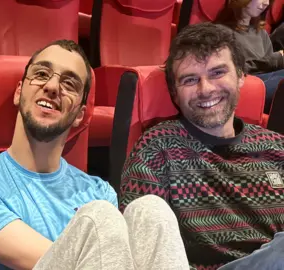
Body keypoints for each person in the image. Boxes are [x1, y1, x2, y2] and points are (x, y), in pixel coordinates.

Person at [0, 40, 190, 270]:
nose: (52, 86)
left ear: (80, 114)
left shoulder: (98, 191)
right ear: (19, 92)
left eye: (69, 84)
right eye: (41, 74)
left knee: (151, 211)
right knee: (97, 218)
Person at [120, 22, 284, 270]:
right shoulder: (156, 148)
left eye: (217, 73)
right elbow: (144, 241)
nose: (205, 89)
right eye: (190, 79)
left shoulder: (277, 147)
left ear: (240, 76)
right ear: (175, 94)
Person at [214, 0, 283, 113]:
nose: (266, 3)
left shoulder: (260, 33)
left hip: (264, 83)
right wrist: (277, 59)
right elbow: (232, 71)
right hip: (244, 87)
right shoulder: (220, 32)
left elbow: (269, 66)